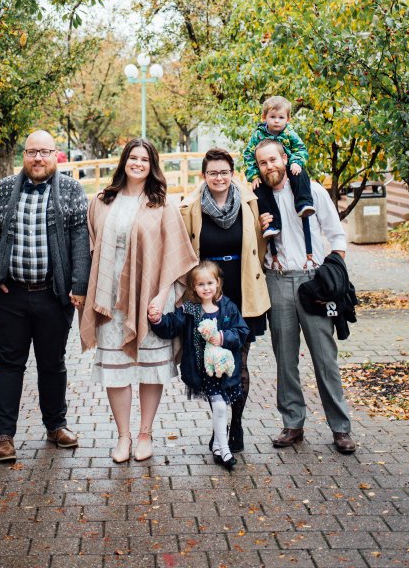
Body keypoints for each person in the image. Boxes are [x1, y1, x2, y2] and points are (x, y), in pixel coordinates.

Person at [80, 138, 197, 464]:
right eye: (133, 157)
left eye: (145, 159)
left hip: (151, 299)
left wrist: (162, 297)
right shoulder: (104, 200)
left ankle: (145, 433)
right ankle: (123, 436)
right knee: (115, 370)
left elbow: (177, 257)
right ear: (124, 161)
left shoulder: (163, 204)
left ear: (152, 165)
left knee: (149, 370)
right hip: (110, 299)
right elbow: (90, 246)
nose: (138, 163)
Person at [0, 129, 90, 462]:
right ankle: (4, 435)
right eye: (31, 152)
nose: (37, 158)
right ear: (23, 156)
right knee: (9, 363)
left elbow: (81, 242)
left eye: (44, 152)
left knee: (52, 364)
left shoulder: (70, 190)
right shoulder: (5, 190)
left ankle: (56, 425)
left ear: (55, 155)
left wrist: (78, 285)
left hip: (53, 295)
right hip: (11, 295)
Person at [254, 138, 356, 454]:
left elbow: (337, 234)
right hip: (277, 280)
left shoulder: (311, 191)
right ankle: (293, 424)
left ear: (285, 159)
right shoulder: (256, 198)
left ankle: (341, 429)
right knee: (285, 359)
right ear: (257, 167)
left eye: (273, 159)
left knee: (325, 358)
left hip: (313, 283)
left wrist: (333, 270)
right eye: (263, 162)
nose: (269, 166)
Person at [180, 148, 270, 453]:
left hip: (244, 292)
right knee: (213, 365)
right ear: (204, 176)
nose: (219, 178)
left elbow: (260, 242)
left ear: (233, 174)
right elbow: (185, 253)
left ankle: (237, 423)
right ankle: (220, 427)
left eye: (224, 172)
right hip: (208, 295)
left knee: (239, 363)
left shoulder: (248, 203)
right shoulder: (191, 206)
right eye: (212, 172)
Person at [147, 261, 249, 471]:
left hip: (225, 369)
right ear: (194, 287)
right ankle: (224, 449)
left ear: (218, 283)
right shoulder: (190, 310)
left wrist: (221, 337)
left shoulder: (228, 307)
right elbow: (172, 326)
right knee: (220, 407)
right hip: (203, 371)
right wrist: (157, 320)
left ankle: (219, 449)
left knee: (221, 408)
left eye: (210, 283)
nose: (206, 288)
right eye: (201, 284)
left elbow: (241, 332)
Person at [243, 96, 315, 240]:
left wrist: (296, 161)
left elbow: (300, 149)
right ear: (264, 117)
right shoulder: (258, 135)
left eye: (281, 117)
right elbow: (248, 155)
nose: (277, 121)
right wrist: (254, 175)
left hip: (288, 166)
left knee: (300, 174)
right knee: (258, 188)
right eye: (272, 117)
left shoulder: (290, 134)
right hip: (268, 173)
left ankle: (303, 204)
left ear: (287, 119)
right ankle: (272, 224)